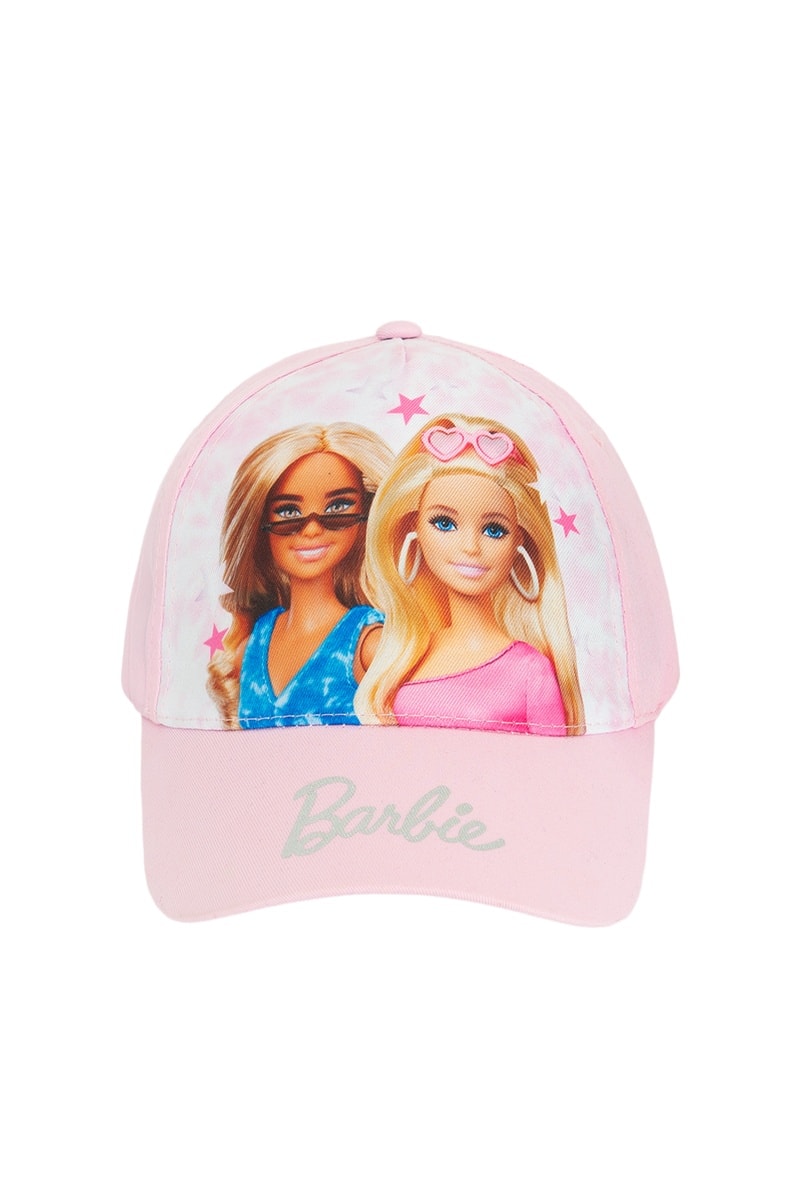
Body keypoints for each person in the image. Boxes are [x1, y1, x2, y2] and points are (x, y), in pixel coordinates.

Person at [354, 414, 585, 735]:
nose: (470, 547)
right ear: (414, 528)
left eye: (494, 530)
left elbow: (558, 764)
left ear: (519, 541)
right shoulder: (404, 654)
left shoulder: (531, 671)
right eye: (444, 523)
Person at [208, 422, 394, 728]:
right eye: (288, 513)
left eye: (338, 507)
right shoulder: (253, 645)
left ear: (365, 518)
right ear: (260, 528)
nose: (312, 529)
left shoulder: (367, 645)